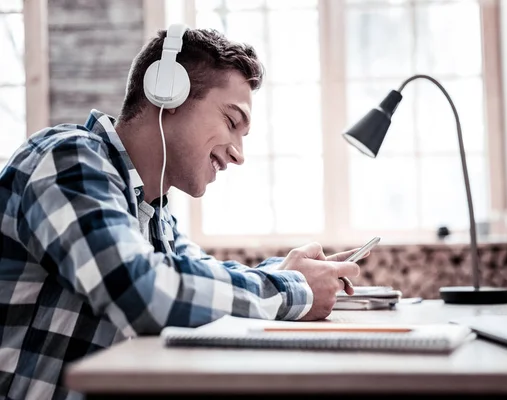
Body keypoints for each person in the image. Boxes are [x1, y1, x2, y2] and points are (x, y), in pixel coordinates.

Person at [0, 26, 364, 400]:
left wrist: (289, 274)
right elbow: (142, 290)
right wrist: (295, 290)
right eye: (230, 121)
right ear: (167, 91)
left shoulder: (152, 211)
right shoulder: (67, 159)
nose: (239, 153)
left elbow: (201, 277)